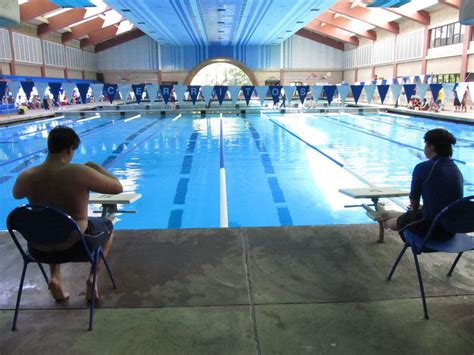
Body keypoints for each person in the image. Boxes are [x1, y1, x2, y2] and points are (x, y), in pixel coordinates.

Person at [12, 127, 123, 302]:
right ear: (70, 148)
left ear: (49, 146)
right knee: (108, 226)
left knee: (49, 224)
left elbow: (16, 194)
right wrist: (95, 167)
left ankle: (55, 278)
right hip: (77, 246)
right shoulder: (79, 172)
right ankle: (93, 279)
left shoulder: (27, 176)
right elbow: (117, 188)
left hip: (38, 249)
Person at [367, 129, 463, 242]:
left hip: (433, 231)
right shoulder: (455, 169)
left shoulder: (423, 168)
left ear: (431, 146)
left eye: (425, 144)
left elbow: (414, 203)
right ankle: (387, 213)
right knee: (411, 214)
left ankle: (385, 222)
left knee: (399, 220)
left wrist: (414, 211)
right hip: (451, 229)